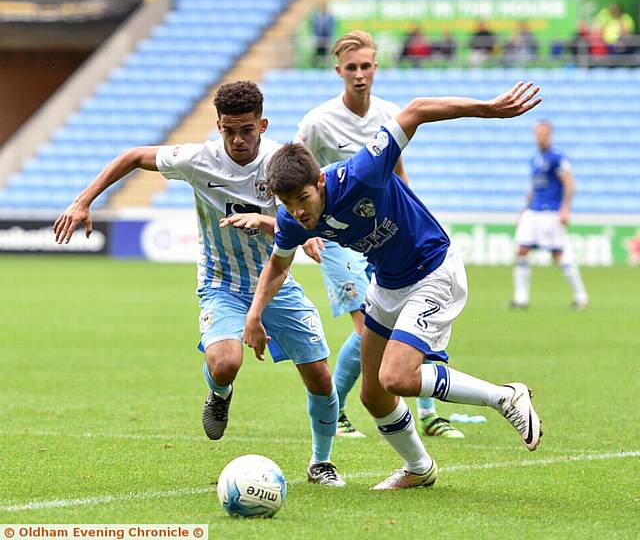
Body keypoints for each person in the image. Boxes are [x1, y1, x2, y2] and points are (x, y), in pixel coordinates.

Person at [244, 81, 543, 490]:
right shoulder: (294, 218)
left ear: (319, 179)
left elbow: (417, 109)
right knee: (374, 395)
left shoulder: (362, 172)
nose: (298, 211)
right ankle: (420, 469)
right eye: (288, 203)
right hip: (387, 283)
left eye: (303, 198)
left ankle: (505, 396)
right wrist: (255, 313)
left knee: (398, 378)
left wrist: (487, 109)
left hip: (433, 270)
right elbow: (278, 265)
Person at [52, 81, 345, 487]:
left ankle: (321, 462)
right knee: (225, 363)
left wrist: (292, 228)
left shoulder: (281, 162)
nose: (238, 140)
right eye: (228, 130)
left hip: (274, 280)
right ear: (218, 126)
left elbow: (304, 209)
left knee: (318, 376)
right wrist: (83, 201)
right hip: (221, 281)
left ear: (262, 124)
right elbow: (134, 156)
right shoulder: (198, 159)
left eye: (246, 129)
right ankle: (219, 395)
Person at [296, 29, 463, 439]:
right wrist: (305, 233)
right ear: (338, 71)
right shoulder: (317, 123)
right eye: (351, 68)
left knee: (399, 323)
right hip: (336, 238)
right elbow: (295, 177)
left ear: (375, 68)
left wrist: (416, 214)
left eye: (365, 66)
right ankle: (334, 410)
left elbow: (397, 173)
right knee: (368, 329)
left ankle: (426, 413)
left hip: (383, 236)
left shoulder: (388, 114)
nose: (359, 74)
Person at [511, 120, 588, 311]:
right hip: (533, 211)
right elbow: (534, 187)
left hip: (551, 212)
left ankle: (581, 296)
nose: (540, 137)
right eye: (538, 134)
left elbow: (569, 184)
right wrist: (524, 209)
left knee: (559, 254)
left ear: (550, 135)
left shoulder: (557, 158)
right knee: (521, 251)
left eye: (544, 134)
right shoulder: (535, 159)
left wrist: (565, 208)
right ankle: (521, 298)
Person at [311, 1, 335, 67]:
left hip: (327, 37)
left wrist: (329, 37)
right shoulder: (316, 16)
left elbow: (332, 27)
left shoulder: (330, 17)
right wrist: (315, 37)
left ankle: (326, 66)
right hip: (318, 38)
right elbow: (314, 27)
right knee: (318, 52)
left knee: (327, 52)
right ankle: (316, 65)